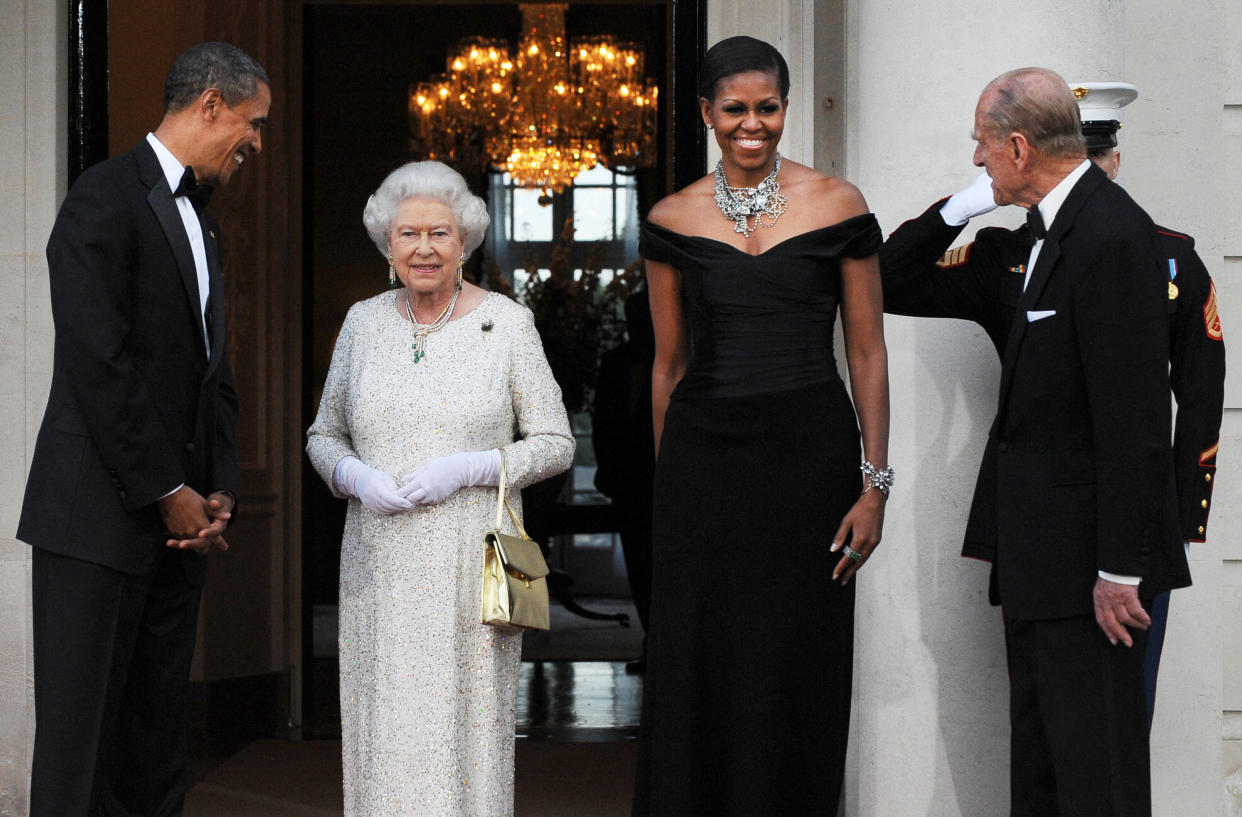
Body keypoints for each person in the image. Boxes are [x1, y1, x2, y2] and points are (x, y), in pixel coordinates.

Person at [880, 80, 1224, 733]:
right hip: (1040, 535)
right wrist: (967, 204)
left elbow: (1199, 396)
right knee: (1045, 737)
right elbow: (885, 279)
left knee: (1114, 736)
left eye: (1099, 157)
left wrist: (1174, 518)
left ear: (1114, 162)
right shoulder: (1008, 256)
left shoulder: (1171, 259)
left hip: (1124, 537)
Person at [632, 36, 891, 816]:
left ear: (787, 107)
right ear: (708, 113)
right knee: (700, 658)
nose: (754, 124)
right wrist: (668, 484)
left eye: (769, 107)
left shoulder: (838, 203)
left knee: (799, 655)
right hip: (704, 463)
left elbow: (869, 352)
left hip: (811, 458)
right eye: (736, 109)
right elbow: (667, 367)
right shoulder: (671, 216)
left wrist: (874, 486)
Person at [16, 42, 268, 816]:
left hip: (178, 537)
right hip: (94, 523)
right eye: (253, 123)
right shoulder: (102, 196)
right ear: (212, 105)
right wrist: (168, 489)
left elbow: (210, 376)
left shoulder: (209, 225)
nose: (255, 142)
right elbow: (100, 364)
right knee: (78, 748)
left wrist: (216, 489)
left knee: (157, 746)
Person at [935, 67, 1187, 816]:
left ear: (1018, 146)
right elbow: (893, 270)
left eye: (983, 147)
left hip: (1091, 579)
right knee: (1043, 777)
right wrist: (966, 206)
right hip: (1044, 566)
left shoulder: (1109, 234)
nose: (977, 161)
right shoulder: (1053, 229)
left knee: (1095, 779)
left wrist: (1119, 569)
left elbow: (1137, 419)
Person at [305, 160, 574, 817]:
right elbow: (323, 434)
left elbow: (557, 442)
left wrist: (470, 467)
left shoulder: (508, 325)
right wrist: (353, 474)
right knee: (384, 723)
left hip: (470, 563)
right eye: (408, 234)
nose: (424, 247)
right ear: (386, 244)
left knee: (467, 731)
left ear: (465, 242)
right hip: (379, 562)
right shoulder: (363, 323)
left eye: (440, 233)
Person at [591, 288, 656, 672]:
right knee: (639, 566)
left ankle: (665, 647)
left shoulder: (679, 356)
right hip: (626, 482)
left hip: (665, 480)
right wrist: (608, 472)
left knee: (664, 567)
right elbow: (602, 422)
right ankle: (651, 640)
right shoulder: (615, 362)